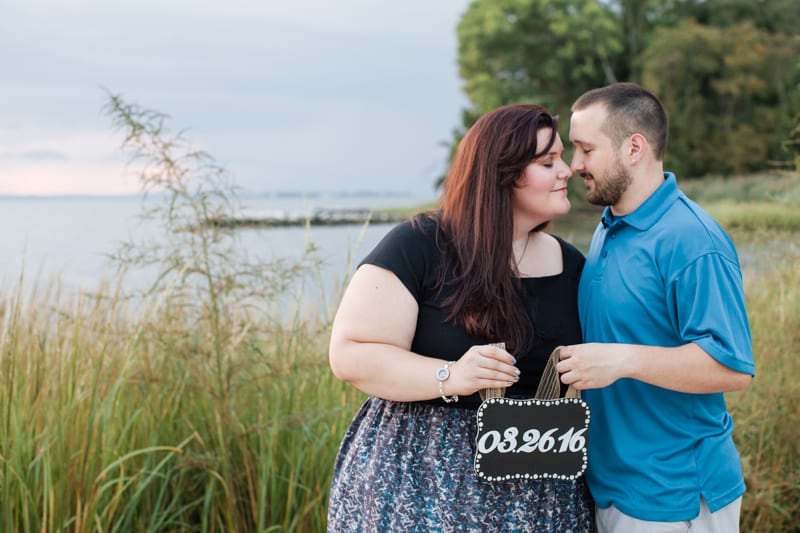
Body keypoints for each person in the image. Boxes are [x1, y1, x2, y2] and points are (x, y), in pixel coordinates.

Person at [326, 104, 595, 532]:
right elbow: (350, 354)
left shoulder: (571, 264)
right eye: (548, 162)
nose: (567, 171)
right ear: (501, 174)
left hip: (540, 493)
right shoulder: (419, 245)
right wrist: (452, 375)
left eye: (561, 158)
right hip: (420, 482)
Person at [557, 82, 755, 532]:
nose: (575, 165)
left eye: (587, 150)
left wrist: (622, 360)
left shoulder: (692, 240)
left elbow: (733, 369)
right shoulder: (611, 225)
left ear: (634, 148)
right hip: (613, 487)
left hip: (676, 497)